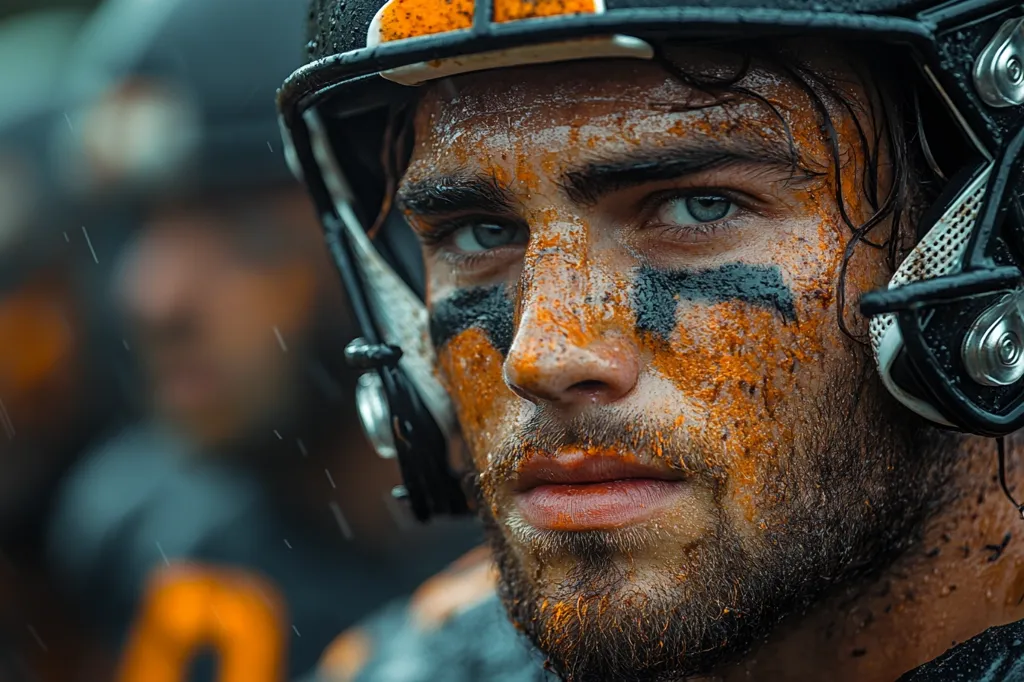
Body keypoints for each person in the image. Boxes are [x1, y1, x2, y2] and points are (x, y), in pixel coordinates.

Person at [277, 0, 1024, 680]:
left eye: (699, 208)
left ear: (982, 250)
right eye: (481, 233)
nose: (543, 354)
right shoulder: (410, 667)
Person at [46, 0, 479, 680]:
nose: (152, 297)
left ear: (400, 230)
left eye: (240, 224)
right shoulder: (132, 526)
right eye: (142, 221)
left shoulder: (568, 556)